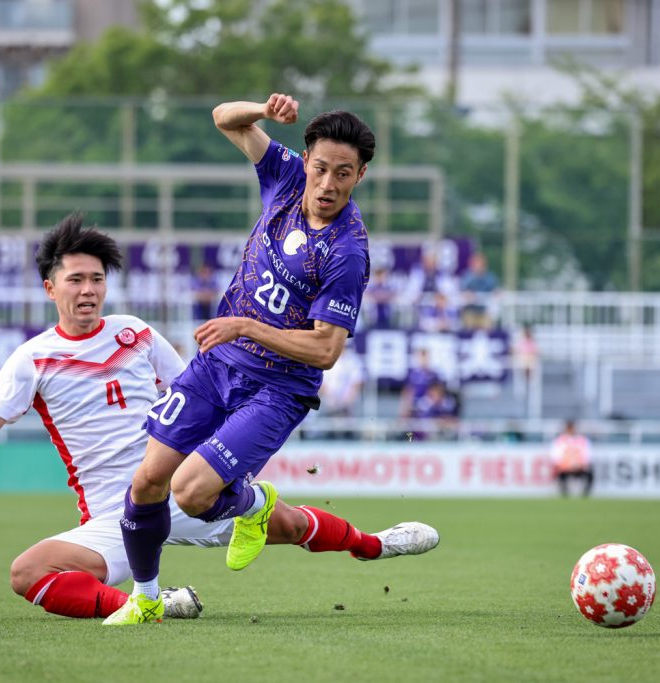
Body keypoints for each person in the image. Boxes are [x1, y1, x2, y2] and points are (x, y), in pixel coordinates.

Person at [0, 215, 438, 622]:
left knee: (291, 524)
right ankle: (153, 604)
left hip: (181, 479)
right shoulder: (32, 358)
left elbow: (198, 385)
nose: (88, 290)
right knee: (27, 573)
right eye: (75, 280)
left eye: (96, 279)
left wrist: (231, 447)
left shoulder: (136, 333)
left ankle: (376, 545)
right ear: (50, 288)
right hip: (114, 515)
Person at [109, 93, 438, 626]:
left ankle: (254, 504)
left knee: (190, 494)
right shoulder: (284, 177)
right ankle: (145, 600)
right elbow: (223, 118)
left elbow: (326, 349)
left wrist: (246, 326)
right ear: (305, 161)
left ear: (360, 176)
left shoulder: (347, 252)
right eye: (321, 168)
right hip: (217, 365)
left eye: (344, 174)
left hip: (277, 390)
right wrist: (263, 109)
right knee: (147, 482)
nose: (328, 184)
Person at [550, 419, 593, 497]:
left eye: (572, 428)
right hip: (565, 468)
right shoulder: (560, 440)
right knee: (560, 474)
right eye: (569, 428)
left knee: (590, 474)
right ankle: (565, 495)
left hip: (580, 467)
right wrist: (563, 466)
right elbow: (556, 456)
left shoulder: (582, 440)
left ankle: (585, 495)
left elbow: (587, 455)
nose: (571, 430)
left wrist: (581, 465)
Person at [459, 251, 499, 330]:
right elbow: (463, 290)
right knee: (469, 327)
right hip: (470, 309)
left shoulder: (490, 277)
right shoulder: (467, 276)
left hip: (484, 309)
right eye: (476, 264)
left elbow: (495, 290)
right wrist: (467, 294)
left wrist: (496, 293)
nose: (478, 266)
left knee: (488, 326)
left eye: (480, 264)